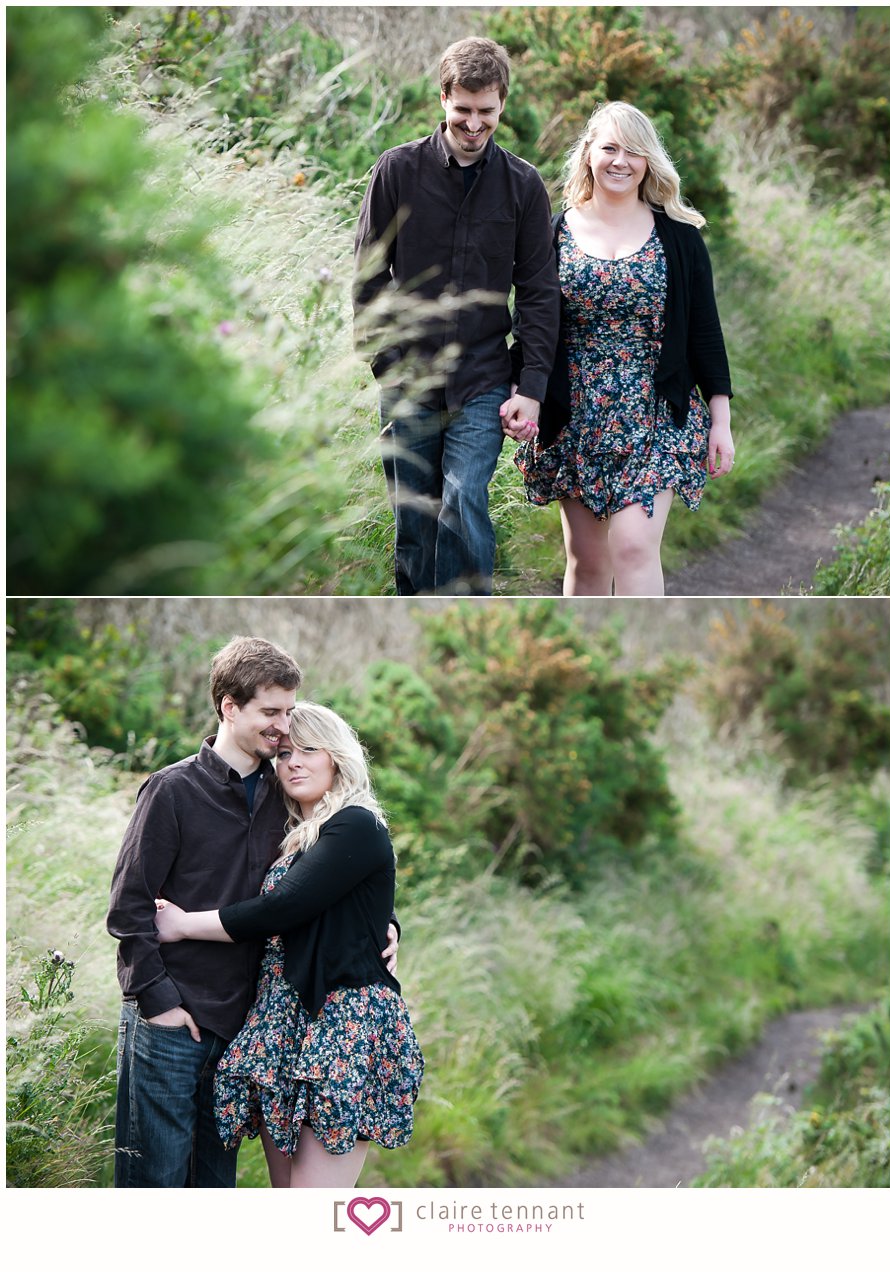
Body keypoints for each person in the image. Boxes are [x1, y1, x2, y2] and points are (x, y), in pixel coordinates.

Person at [106, 636, 400, 1188]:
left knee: (216, 1187)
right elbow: (129, 907)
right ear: (229, 707)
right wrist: (158, 1002)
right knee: (154, 1184)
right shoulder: (173, 790)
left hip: (246, 1028)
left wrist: (382, 926)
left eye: (289, 714)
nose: (283, 730)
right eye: (271, 714)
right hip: (174, 1014)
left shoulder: (287, 796)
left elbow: (323, 887)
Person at [154, 703, 425, 1189]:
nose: (293, 762)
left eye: (308, 750)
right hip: (282, 1021)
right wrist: (385, 922)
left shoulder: (356, 823)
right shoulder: (297, 835)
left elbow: (286, 906)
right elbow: (342, 902)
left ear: (337, 757)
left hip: (342, 1021)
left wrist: (181, 925)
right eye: (283, 754)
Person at [352, 36, 560, 596]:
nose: (473, 124)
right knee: (415, 520)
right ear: (443, 98)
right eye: (462, 110)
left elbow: (539, 291)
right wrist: (384, 360)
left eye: (486, 112)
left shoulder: (523, 187)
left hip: (485, 378)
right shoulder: (396, 171)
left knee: (465, 498)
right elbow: (369, 275)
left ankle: (469, 617)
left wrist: (531, 386)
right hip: (409, 376)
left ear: (502, 106)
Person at [513, 100, 735, 596]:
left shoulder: (679, 240)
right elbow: (533, 324)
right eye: (609, 148)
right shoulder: (552, 234)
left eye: (633, 151)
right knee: (588, 561)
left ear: (649, 161)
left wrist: (720, 420)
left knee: (634, 548)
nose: (620, 161)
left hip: (655, 412)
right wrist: (521, 391)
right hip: (575, 416)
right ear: (588, 153)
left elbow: (705, 332)